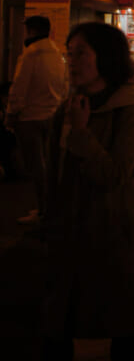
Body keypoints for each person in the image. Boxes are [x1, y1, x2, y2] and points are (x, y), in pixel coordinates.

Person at [32, 22, 134, 361]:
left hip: (115, 237)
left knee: (125, 333)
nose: (73, 61)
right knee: (55, 331)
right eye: (71, 52)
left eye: (81, 52)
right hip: (70, 235)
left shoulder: (129, 110)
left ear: (105, 56)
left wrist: (82, 133)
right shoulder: (67, 107)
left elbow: (114, 176)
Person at [6, 15, 68, 229]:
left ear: (31, 31)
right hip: (51, 116)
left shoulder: (31, 53)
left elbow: (19, 87)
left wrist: (11, 113)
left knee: (36, 167)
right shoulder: (57, 53)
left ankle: (44, 211)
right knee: (49, 164)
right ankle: (48, 208)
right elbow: (64, 85)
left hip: (30, 117)